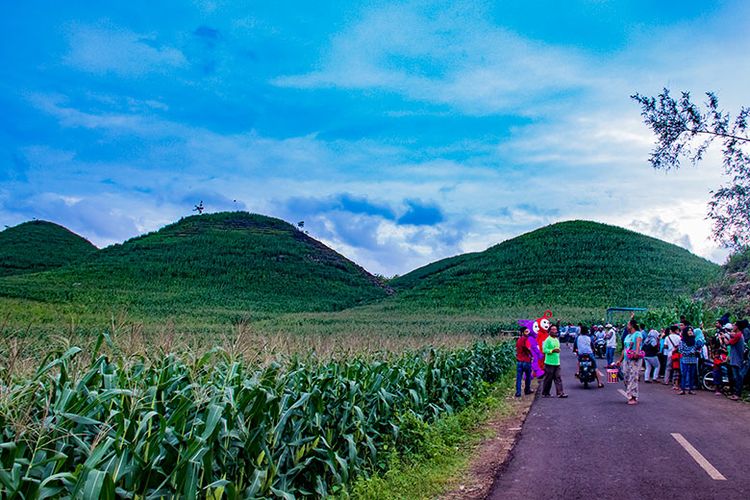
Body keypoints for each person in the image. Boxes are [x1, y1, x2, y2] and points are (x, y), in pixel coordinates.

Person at [616, 318, 643, 405]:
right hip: (627, 359)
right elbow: (625, 349)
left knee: (633, 377)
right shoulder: (627, 336)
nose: (627, 326)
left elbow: (638, 343)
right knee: (626, 376)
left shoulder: (637, 334)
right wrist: (620, 360)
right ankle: (630, 394)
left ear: (631, 326)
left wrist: (637, 352)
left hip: (634, 359)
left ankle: (633, 396)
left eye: (628, 324)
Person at [542, 325, 568, 398]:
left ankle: (560, 393)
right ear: (549, 331)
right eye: (553, 330)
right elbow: (544, 350)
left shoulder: (556, 339)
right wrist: (552, 350)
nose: (554, 331)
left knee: (558, 378)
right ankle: (545, 393)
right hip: (549, 362)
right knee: (548, 379)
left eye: (555, 330)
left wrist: (557, 350)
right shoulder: (547, 340)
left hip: (557, 362)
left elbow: (557, 348)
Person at [678, 326, 702, 394]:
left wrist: (696, 350)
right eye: (688, 330)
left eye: (691, 330)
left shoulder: (694, 340)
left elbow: (697, 348)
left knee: (692, 374)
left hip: (693, 359)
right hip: (685, 359)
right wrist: (689, 352)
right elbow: (680, 350)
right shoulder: (682, 341)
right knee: (684, 374)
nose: (690, 331)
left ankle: (690, 389)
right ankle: (683, 389)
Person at [726, 322, 746, 401]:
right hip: (737, 359)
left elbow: (728, 343)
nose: (733, 326)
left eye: (734, 325)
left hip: (736, 359)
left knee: (737, 377)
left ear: (737, 327)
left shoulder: (738, 335)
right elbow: (732, 335)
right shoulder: (739, 334)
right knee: (737, 377)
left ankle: (737, 394)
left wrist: (723, 337)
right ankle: (736, 393)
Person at [515, 326, 534, 397]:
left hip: (519, 361)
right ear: (523, 332)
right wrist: (531, 355)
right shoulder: (526, 340)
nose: (528, 333)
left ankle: (518, 392)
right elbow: (528, 348)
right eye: (526, 331)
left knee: (519, 377)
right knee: (528, 376)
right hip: (526, 360)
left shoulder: (518, 340)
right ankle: (527, 390)